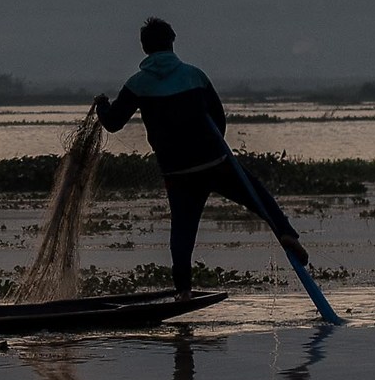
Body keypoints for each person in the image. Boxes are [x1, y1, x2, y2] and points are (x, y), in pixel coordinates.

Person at [95, 18, 309, 293]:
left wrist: (102, 106)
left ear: (145, 48)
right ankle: (286, 233)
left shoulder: (137, 83)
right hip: (214, 161)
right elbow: (218, 118)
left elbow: (113, 122)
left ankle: (182, 291)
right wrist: (212, 148)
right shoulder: (194, 75)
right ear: (172, 42)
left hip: (177, 172)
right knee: (256, 193)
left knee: (182, 230)